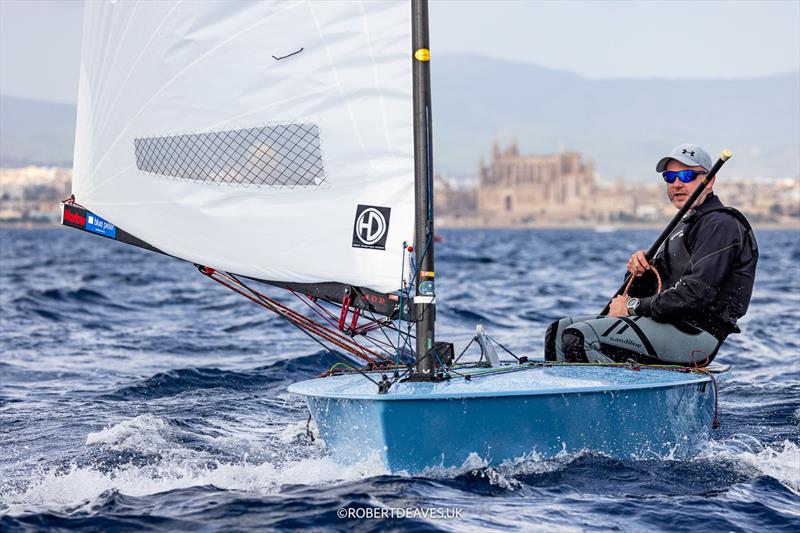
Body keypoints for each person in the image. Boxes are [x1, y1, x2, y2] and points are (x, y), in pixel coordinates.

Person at [544, 144, 758, 366]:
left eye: (687, 175)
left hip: (696, 335)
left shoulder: (721, 224)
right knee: (558, 332)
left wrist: (632, 306)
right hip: (665, 325)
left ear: (709, 181)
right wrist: (639, 271)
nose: (677, 184)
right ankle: (561, 397)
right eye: (670, 177)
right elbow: (651, 291)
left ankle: (607, 396)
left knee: (578, 337)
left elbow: (696, 294)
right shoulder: (683, 226)